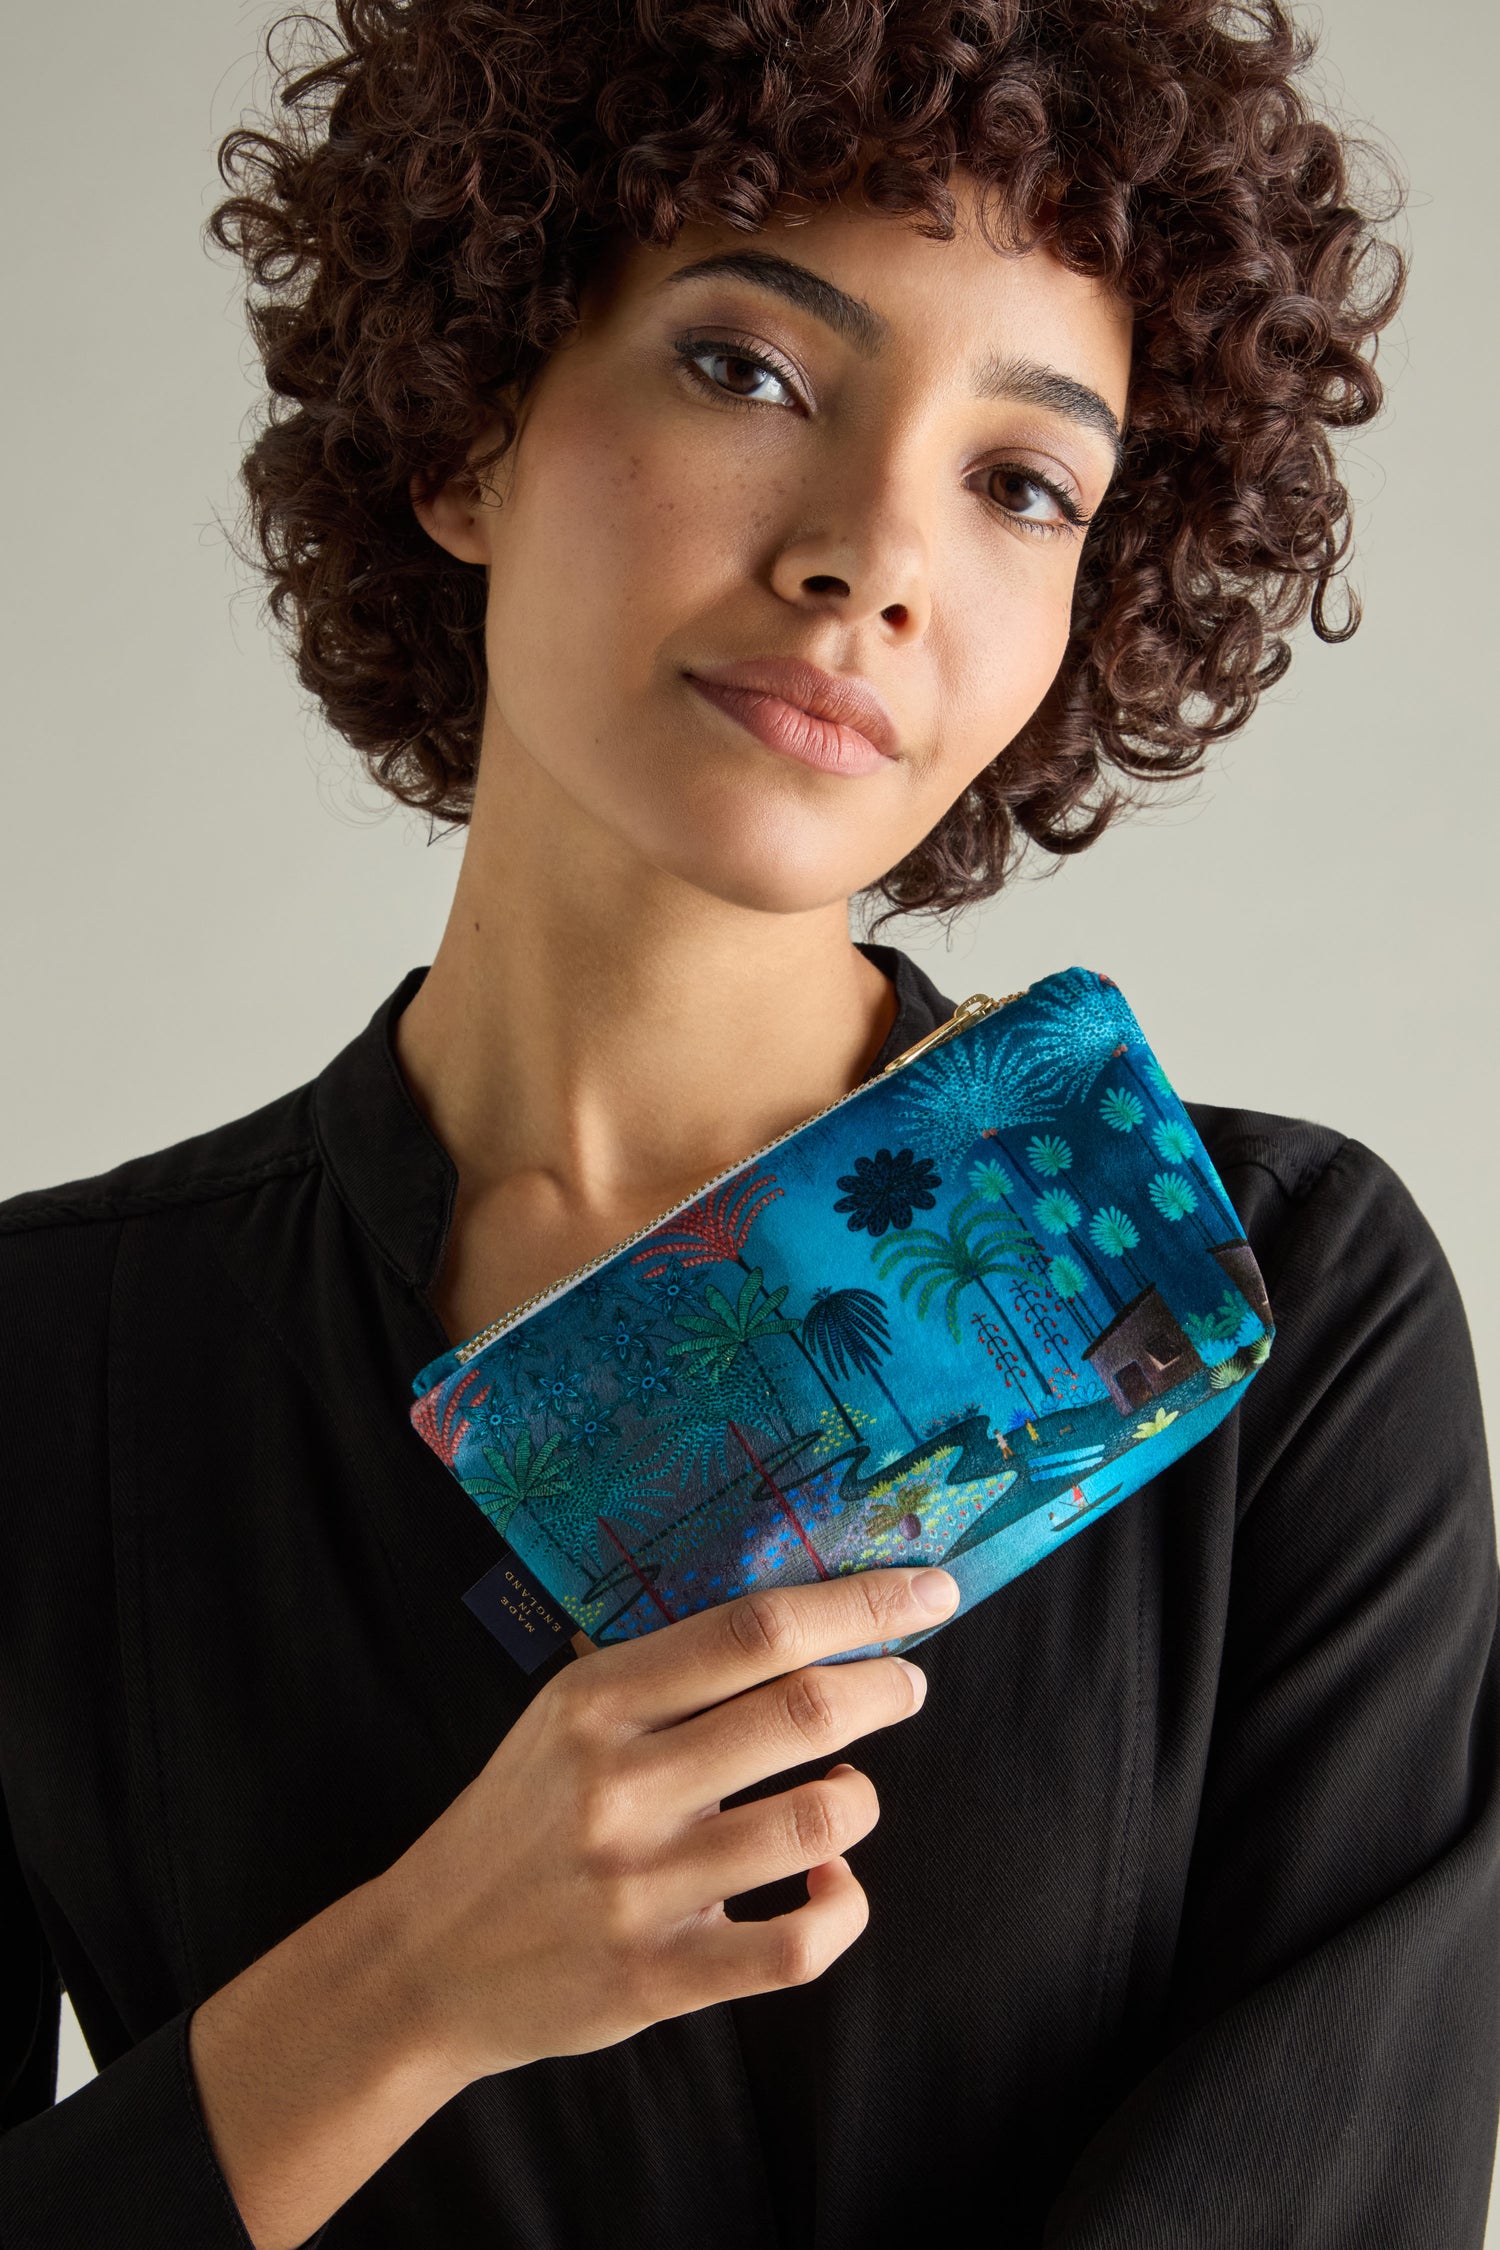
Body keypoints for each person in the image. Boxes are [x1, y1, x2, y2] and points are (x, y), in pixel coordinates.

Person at [1, 1, 1495, 2244]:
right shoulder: (56, 1367)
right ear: (467, 431)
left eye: (1021, 482)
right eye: (750, 369)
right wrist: (410, 1982)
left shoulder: (1264, 1306)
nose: (872, 556)